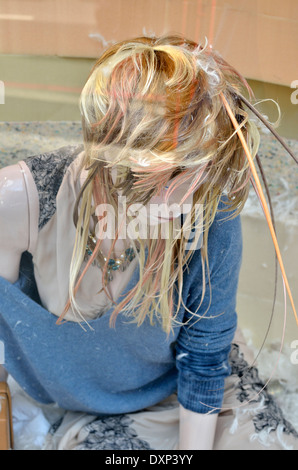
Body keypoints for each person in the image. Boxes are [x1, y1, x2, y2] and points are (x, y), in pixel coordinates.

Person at [0, 35, 296, 451]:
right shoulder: (18, 203)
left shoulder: (210, 205)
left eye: (203, 173)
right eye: (174, 176)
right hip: (86, 404)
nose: (195, 197)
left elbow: (205, 358)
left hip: (193, 388)